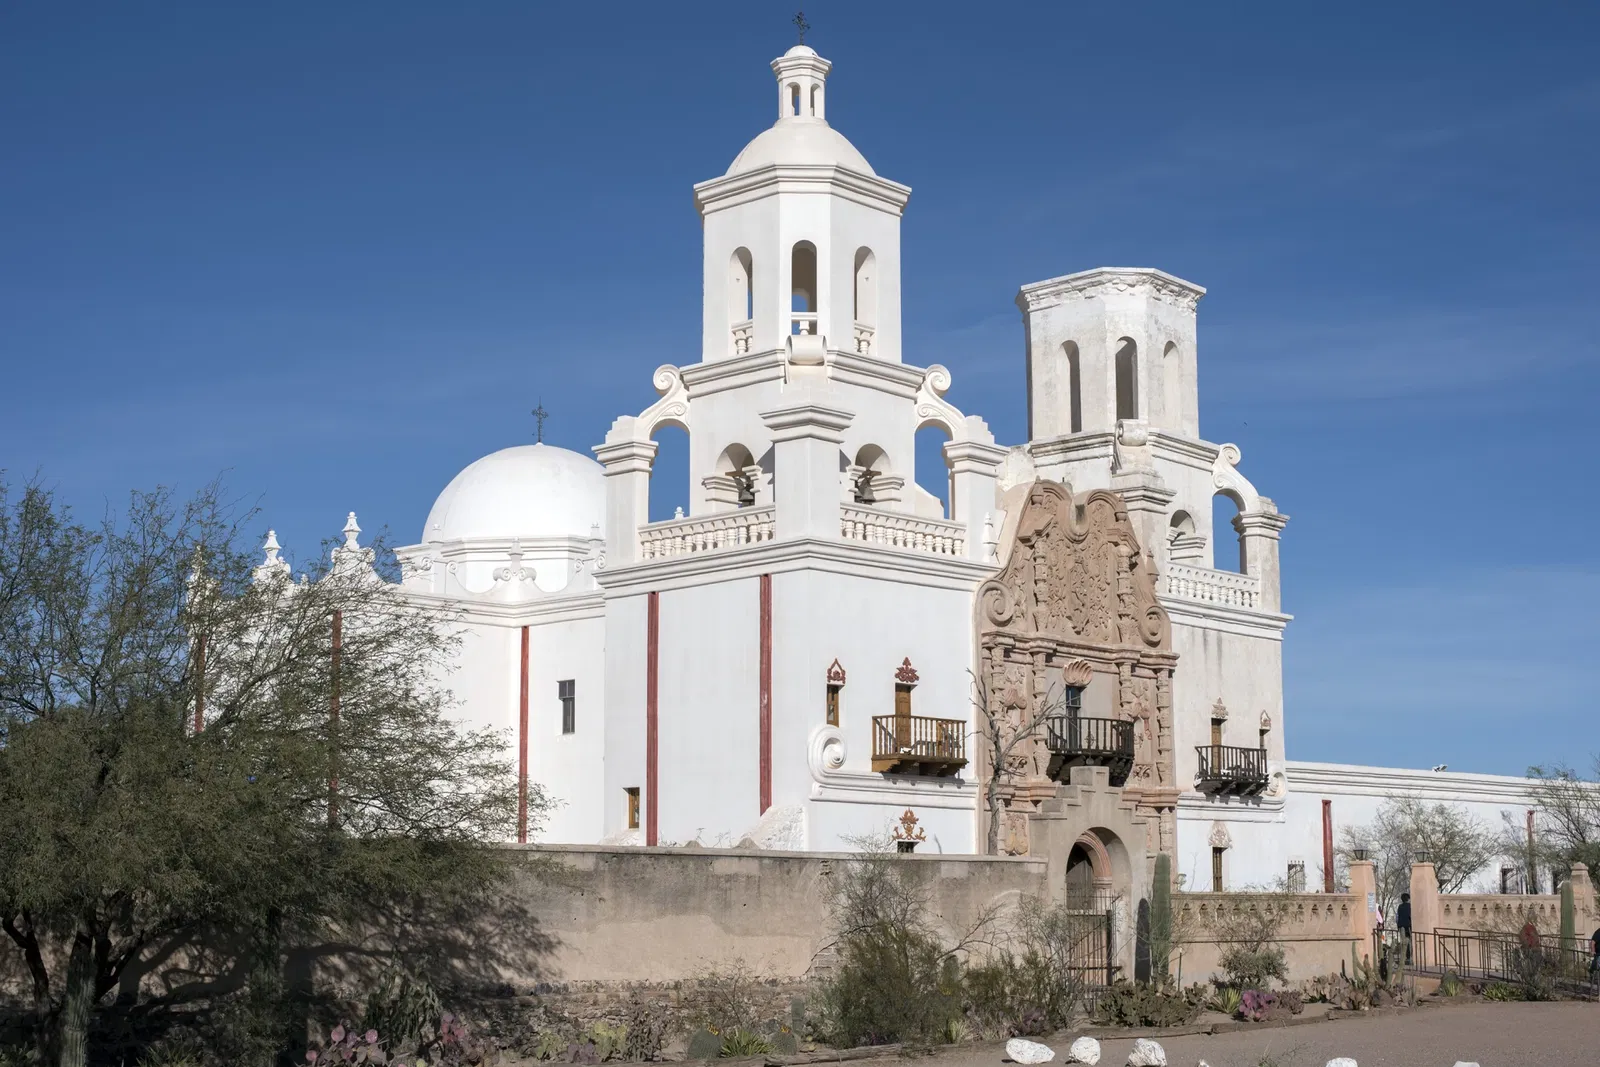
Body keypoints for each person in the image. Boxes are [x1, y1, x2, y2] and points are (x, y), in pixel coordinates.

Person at [1396, 893, 1413, 963]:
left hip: (1401, 926)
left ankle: (1404, 957)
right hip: (1408, 926)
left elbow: (1397, 917)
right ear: (1408, 899)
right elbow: (1410, 916)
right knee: (1409, 942)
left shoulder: (1400, 906)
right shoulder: (1410, 906)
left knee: (1403, 942)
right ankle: (1409, 957)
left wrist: (1398, 926)